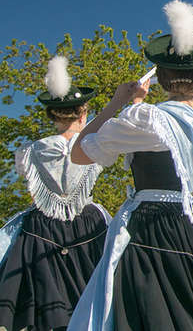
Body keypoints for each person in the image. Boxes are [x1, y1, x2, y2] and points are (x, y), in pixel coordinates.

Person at [68, 1, 193, 330]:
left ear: (159, 77)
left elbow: (79, 153)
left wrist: (116, 102)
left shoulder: (143, 119)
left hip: (152, 232)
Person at [0, 56, 110, 331]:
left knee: (45, 301)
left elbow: (34, 192)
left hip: (42, 229)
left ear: (51, 115)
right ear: (83, 113)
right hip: (87, 224)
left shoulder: (30, 150)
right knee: (93, 292)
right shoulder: (92, 143)